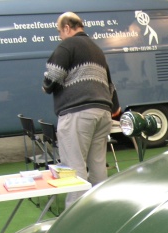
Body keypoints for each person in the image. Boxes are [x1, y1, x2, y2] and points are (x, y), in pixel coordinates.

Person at [43, 12, 120, 207]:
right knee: (98, 166)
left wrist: (46, 87)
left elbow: (52, 76)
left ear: (67, 28)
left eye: (60, 31)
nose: (60, 36)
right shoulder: (97, 50)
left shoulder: (67, 45)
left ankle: (75, 219)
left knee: (73, 168)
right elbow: (111, 86)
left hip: (77, 112)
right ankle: (101, 210)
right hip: (102, 112)